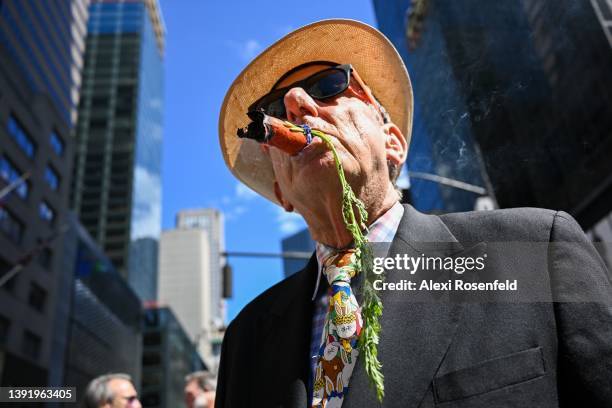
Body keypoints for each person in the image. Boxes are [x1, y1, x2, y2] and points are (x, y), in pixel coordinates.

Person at [216, 19, 612, 407]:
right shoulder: (245, 339)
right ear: (281, 192)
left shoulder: (532, 253)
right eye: (273, 109)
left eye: (327, 84)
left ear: (393, 143)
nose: (295, 104)